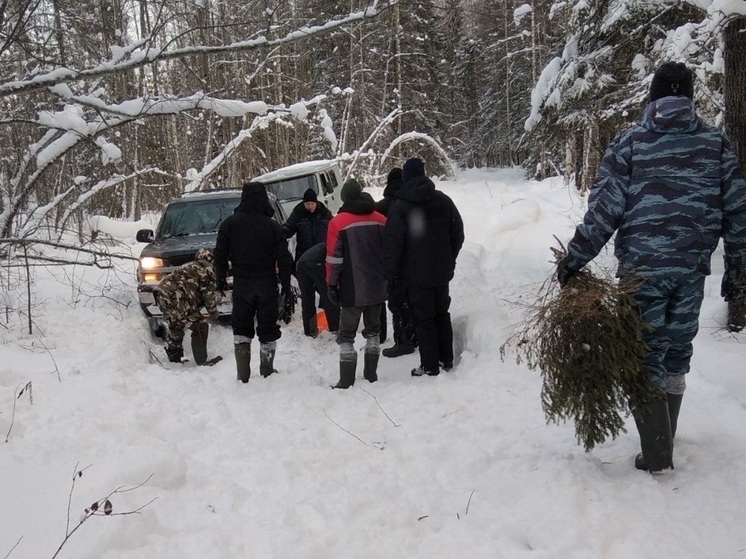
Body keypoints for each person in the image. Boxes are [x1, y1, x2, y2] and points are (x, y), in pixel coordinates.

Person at [556, 61, 746, 472]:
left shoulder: (630, 143)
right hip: (692, 270)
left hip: (642, 270)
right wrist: (738, 265)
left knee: (643, 356)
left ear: (653, 95)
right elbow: (737, 211)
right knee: (677, 351)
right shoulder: (716, 144)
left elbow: (605, 211)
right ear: (690, 96)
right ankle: (664, 439)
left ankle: (658, 454)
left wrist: (575, 259)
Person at [383, 157, 465, 377]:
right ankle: (446, 359)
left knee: (424, 318)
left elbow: (393, 243)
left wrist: (391, 274)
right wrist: (449, 258)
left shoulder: (400, 206)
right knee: (441, 313)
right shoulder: (443, 201)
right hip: (441, 271)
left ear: (406, 177)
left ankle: (429, 365)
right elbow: (458, 233)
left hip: (415, 274)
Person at [213, 181, 293, 383]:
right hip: (266, 283)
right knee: (267, 327)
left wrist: (220, 279)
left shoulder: (229, 224)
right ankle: (266, 369)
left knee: (241, 326)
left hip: (242, 284)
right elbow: (284, 258)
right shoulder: (273, 227)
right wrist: (285, 283)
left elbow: (220, 255)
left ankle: (243, 374)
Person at [326, 178, 387, 388]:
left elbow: (334, 259)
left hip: (352, 287)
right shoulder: (380, 219)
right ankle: (371, 375)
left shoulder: (338, 223)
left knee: (346, 335)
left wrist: (331, 284)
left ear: (344, 198)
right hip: (378, 285)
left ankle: (346, 380)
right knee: (373, 330)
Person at [155, 248, 221, 365]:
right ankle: (202, 361)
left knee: (176, 325)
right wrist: (213, 311)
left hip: (162, 294)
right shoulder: (206, 268)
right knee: (200, 325)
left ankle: (174, 359)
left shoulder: (190, 266)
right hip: (177, 297)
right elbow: (208, 293)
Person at [376, 167, 417, 357]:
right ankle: (414, 335)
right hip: (414, 260)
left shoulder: (382, 206)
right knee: (412, 301)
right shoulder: (412, 202)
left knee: (396, 303)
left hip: (392, 261)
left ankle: (403, 341)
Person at [296, 241, 340, 337]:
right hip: (316, 262)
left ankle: (310, 331)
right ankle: (335, 328)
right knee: (328, 295)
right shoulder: (336, 246)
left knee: (307, 299)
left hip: (300, 264)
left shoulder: (326, 244)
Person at [283, 188, 333, 266]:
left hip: (322, 254)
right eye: (308, 204)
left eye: (312, 204)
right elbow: (289, 226)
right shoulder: (298, 213)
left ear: (316, 203)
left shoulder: (324, 213)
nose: (310, 206)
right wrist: (281, 232)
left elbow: (334, 228)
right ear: (304, 204)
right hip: (304, 254)